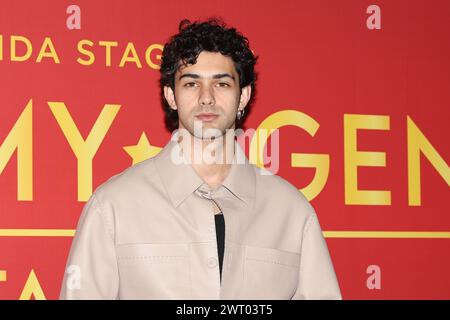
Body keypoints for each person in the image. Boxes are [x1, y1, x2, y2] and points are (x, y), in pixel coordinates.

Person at [59, 18, 342, 300]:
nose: (206, 98)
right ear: (171, 95)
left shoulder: (291, 211)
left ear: (243, 96)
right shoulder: (113, 207)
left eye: (222, 84)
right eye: (192, 83)